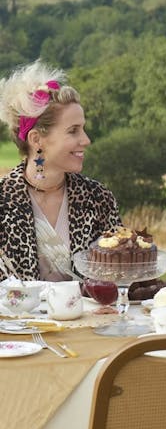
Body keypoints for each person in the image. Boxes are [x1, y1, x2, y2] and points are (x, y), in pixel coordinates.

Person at [0, 60, 121, 281]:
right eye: (73, 131)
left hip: (93, 317)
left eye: (83, 129)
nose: (86, 140)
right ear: (37, 139)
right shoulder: (3, 201)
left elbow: (121, 273)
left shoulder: (98, 198)